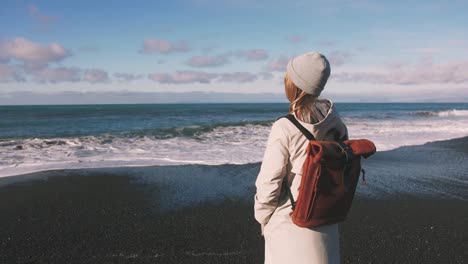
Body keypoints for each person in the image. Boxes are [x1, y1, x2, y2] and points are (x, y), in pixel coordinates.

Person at [254, 52, 348, 264]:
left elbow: (269, 184)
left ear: (295, 84)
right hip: (326, 221)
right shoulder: (337, 125)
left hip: (290, 227)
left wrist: (263, 219)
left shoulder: (285, 127)